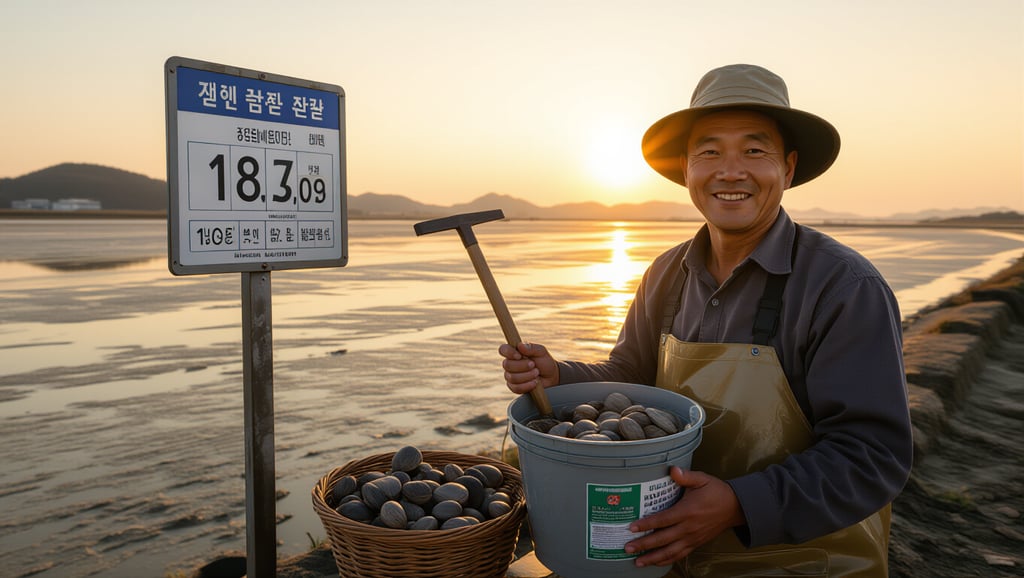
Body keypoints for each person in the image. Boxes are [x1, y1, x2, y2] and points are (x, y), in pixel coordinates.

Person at [500, 64, 913, 577]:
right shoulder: (665, 273)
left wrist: (739, 503)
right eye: (710, 152)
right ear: (686, 170)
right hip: (667, 556)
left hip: (805, 560)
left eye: (754, 150)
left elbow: (872, 456)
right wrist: (559, 376)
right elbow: (632, 375)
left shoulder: (843, 287)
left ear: (787, 169)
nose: (731, 170)